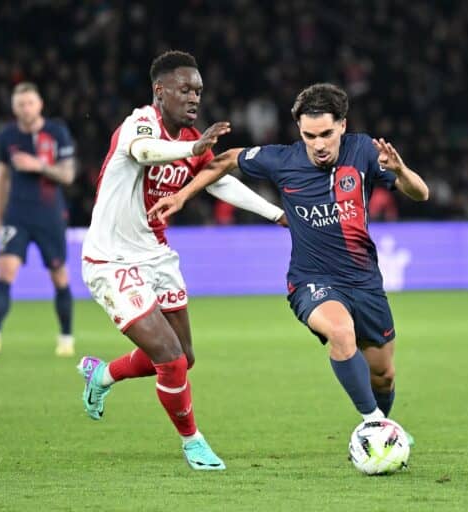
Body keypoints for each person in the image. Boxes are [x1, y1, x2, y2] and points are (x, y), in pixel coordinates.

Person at [149, 83, 429, 440]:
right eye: (309, 135)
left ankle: (380, 431)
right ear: (300, 130)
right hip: (311, 280)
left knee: (383, 375)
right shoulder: (283, 160)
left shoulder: (363, 151)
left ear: (342, 125)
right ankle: (375, 425)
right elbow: (228, 159)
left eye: (326, 134)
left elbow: (421, 193)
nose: (319, 144)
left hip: (365, 281)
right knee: (341, 333)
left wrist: (401, 171)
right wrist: (182, 196)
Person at [77, 51, 285, 470]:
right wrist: (193, 146)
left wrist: (277, 214)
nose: (194, 97)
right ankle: (193, 443)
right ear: (160, 90)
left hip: (156, 256)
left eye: (199, 91)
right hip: (111, 260)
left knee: (183, 358)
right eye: (185, 89)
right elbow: (144, 152)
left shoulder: (190, 138)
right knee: (170, 359)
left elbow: (218, 182)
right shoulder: (141, 124)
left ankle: (102, 375)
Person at [0, 82, 77, 356]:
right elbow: (1, 176)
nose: (26, 108)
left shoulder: (57, 132)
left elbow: (68, 175)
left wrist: (38, 165)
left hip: (49, 215)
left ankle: (66, 338)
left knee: (59, 276)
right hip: (16, 214)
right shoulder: (7, 136)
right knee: (5, 271)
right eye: (20, 104)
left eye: (30, 103)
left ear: (40, 104)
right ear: (14, 108)